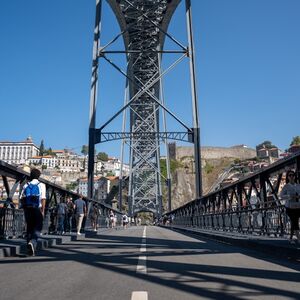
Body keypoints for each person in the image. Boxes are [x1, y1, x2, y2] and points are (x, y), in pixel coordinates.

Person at [21, 168, 46, 256]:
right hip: (36, 209)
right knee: (38, 227)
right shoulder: (41, 185)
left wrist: (25, 209)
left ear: (31, 176)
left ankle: (30, 250)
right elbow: (43, 199)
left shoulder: (26, 185)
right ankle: (32, 242)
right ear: (39, 176)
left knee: (29, 228)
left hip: (28, 209)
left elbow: (22, 198)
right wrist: (42, 211)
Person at [280, 170, 300, 244]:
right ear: (288, 177)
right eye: (290, 175)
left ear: (295, 176)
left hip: (298, 206)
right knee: (295, 221)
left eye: (293, 175)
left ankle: (291, 238)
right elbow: (281, 196)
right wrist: (289, 196)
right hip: (289, 207)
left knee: (294, 222)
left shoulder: (298, 185)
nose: (292, 176)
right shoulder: (286, 186)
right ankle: (299, 239)